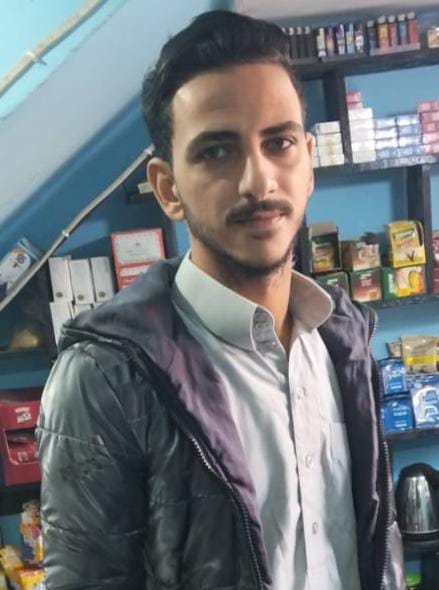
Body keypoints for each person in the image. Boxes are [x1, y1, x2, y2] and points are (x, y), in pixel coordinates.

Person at [36, 10, 405, 590]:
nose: (258, 181)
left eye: (279, 142)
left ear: (309, 162)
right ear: (167, 188)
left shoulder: (344, 337)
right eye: (215, 151)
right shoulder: (106, 376)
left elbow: (372, 541)